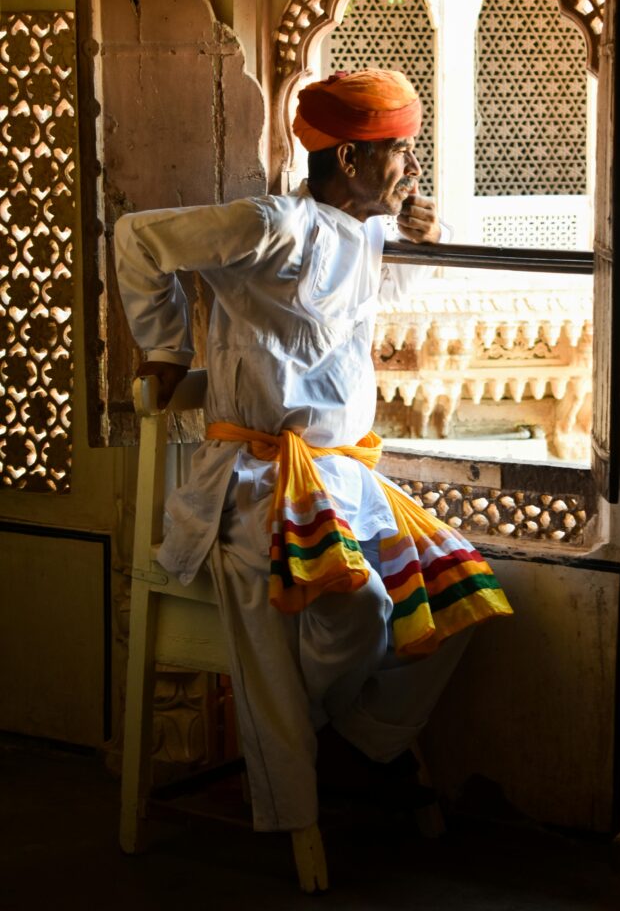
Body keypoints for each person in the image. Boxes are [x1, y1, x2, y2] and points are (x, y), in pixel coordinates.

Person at [115, 68, 513, 832]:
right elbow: (136, 238)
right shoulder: (272, 224)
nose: (413, 166)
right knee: (359, 604)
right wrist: (162, 348)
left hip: (341, 481)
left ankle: (355, 745)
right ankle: (327, 750)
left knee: (466, 596)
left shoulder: (364, 228)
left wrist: (411, 231)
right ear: (350, 161)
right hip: (259, 481)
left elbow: (360, 316)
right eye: (400, 150)